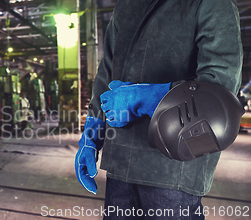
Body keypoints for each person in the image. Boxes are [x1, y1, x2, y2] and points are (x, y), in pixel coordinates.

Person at [75, 0, 242, 219]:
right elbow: (106, 73)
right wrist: (91, 138)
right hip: (121, 162)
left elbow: (220, 91)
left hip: (173, 167)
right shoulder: (125, 6)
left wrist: (146, 98)